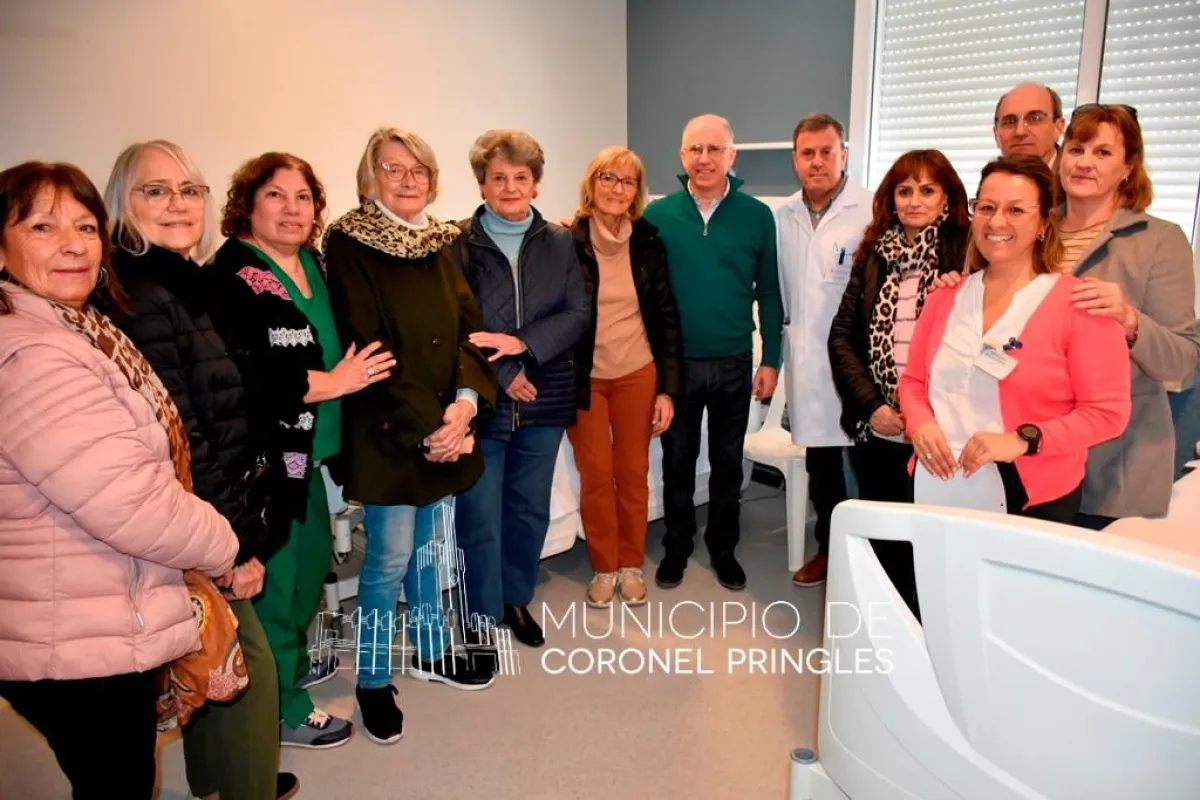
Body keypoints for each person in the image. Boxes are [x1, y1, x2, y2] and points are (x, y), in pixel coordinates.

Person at [0, 161, 238, 799]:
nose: (73, 245)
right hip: (73, 633)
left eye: (85, 227)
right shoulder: (35, 356)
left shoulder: (75, 328)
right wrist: (224, 547)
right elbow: (131, 503)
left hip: (78, 607)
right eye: (43, 227)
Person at [104, 140, 298, 800]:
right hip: (197, 517)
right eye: (155, 190)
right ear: (121, 204)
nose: (177, 204)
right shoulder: (141, 296)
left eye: (189, 190)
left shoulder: (186, 283)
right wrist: (231, 544)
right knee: (248, 669)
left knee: (209, 650)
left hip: (209, 509)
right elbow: (180, 438)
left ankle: (215, 782)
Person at [206, 152, 393, 749]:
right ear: (247, 205)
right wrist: (335, 383)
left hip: (311, 455)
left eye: (303, 197)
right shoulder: (236, 274)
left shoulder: (313, 262)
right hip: (265, 463)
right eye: (275, 195)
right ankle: (282, 707)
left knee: (309, 571)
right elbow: (251, 374)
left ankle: (284, 667)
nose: (291, 209)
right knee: (276, 586)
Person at [323, 127, 498, 745]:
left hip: (446, 425)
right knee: (389, 560)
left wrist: (465, 409)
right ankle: (372, 679)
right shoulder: (348, 242)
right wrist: (432, 429)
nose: (407, 180)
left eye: (418, 170)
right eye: (392, 169)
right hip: (389, 430)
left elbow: (470, 333)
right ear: (370, 177)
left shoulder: (439, 241)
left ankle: (429, 649)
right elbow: (368, 346)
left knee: (431, 551)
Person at [897, 156, 1131, 524]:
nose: (996, 222)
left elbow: (1107, 413)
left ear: (1044, 222)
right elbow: (912, 382)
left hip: (1032, 497)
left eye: (1016, 210)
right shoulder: (944, 297)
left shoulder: (1081, 305)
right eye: (986, 207)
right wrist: (920, 424)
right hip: (938, 485)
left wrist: (1024, 440)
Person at [454, 129, 589, 648]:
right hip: (482, 400)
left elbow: (577, 312)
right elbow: (455, 322)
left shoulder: (560, 242)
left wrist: (523, 346)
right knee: (480, 516)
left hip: (545, 393)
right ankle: (480, 614)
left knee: (529, 510)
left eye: (521, 177)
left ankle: (515, 599)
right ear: (481, 185)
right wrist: (504, 373)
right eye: (498, 178)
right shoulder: (456, 243)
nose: (510, 188)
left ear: (535, 185)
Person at [642, 114, 782, 592]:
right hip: (676, 363)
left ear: (731, 155)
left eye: (714, 149)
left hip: (734, 361)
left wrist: (772, 359)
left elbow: (770, 292)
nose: (704, 158)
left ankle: (723, 548)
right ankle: (677, 544)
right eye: (695, 149)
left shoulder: (757, 216)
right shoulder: (657, 216)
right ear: (682, 155)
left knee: (727, 461)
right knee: (677, 459)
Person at [825, 149, 970, 610]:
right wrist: (872, 407)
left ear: (947, 197)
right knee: (887, 542)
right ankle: (890, 627)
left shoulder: (967, 252)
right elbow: (842, 336)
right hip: (881, 426)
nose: (914, 201)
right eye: (904, 191)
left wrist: (922, 416)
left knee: (937, 547)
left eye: (927, 190)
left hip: (942, 431)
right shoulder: (875, 255)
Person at [1056, 104, 1200, 528]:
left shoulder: (1160, 239)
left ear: (1128, 167)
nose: (1084, 162)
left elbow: (1181, 362)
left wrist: (1130, 320)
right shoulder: (1033, 230)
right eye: (1076, 149)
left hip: (1111, 465)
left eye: (1102, 153)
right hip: (1030, 454)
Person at [567, 146, 684, 608]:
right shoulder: (567, 240)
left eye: (628, 181)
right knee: (597, 474)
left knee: (633, 472)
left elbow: (667, 317)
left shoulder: (650, 242)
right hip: (586, 377)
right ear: (592, 183)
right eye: (608, 178)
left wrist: (667, 390)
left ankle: (631, 563)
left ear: (637, 191)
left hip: (637, 371)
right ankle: (604, 566)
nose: (617, 188)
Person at [776, 113, 874, 589]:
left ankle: (873, 560)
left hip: (860, 361)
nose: (817, 162)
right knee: (823, 466)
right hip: (808, 361)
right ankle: (829, 550)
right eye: (807, 153)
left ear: (844, 154)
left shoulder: (872, 210)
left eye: (826, 152)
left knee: (869, 467)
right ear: (795, 160)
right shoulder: (782, 217)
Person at [994, 82, 1066, 168]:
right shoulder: (991, 175)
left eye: (1035, 119)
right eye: (1010, 122)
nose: (1020, 132)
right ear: (996, 134)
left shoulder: (1075, 174)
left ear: (1058, 128)